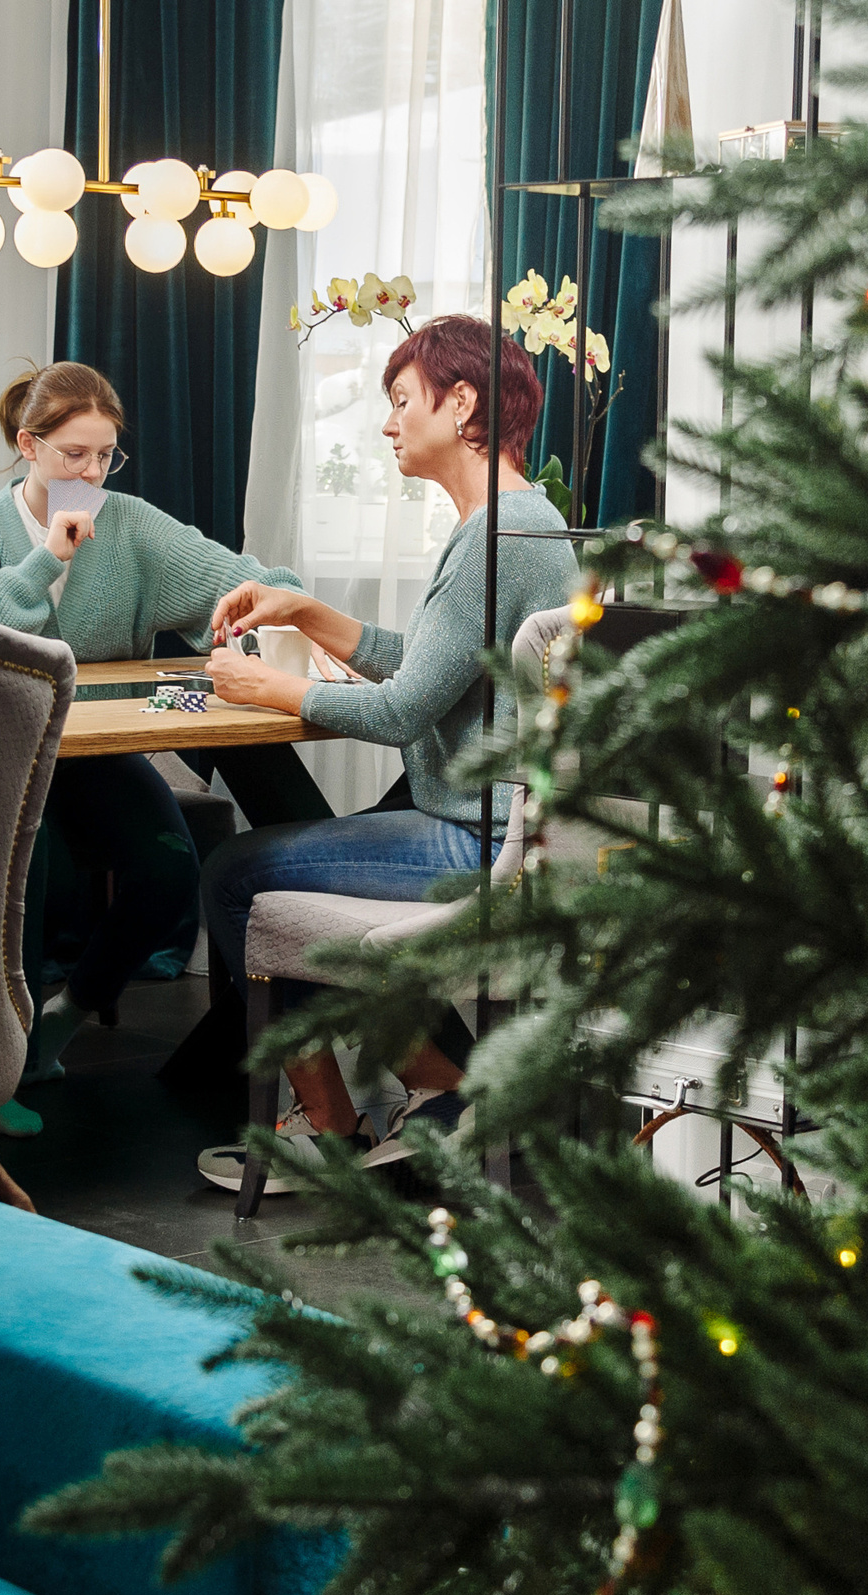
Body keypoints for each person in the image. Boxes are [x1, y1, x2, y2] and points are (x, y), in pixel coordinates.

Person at [190, 316, 573, 1192]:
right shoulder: (524, 520)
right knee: (297, 859)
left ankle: (334, 1132)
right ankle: (442, 1088)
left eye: (402, 402)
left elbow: (404, 710)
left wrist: (274, 690)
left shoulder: (496, 536)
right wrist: (307, 611)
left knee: (234, 877)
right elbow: (434, 666)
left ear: (462, 401)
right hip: (507, 826)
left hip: (476, 839)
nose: (390, 424)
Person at [0, 361, 320, 1086]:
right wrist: (45, 558)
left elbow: (244, 580)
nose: (91, 471)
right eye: (73, 453)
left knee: (169, 865)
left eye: (105, 455)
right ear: (29, 445)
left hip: (92, 750)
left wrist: (284, 606)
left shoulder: (130, 525)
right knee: (29, 865)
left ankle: (63, 1019)